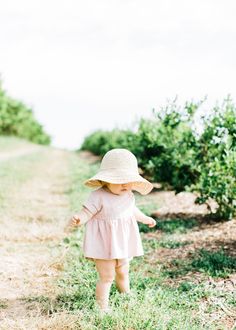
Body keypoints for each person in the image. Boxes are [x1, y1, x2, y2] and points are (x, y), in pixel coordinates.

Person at [67, 148, 156, 312]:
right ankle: (102, 308)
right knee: (107, 276)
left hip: (122, 242)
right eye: (119, 179)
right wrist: (80, 218)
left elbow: (132, 210)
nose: (124, 184)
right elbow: (87, 212)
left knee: (123, 272)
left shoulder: (128, 195)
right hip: (104, 243)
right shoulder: (98, 196)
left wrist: (145, 218)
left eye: (128, 180)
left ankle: (126, 296)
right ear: (106, 180)